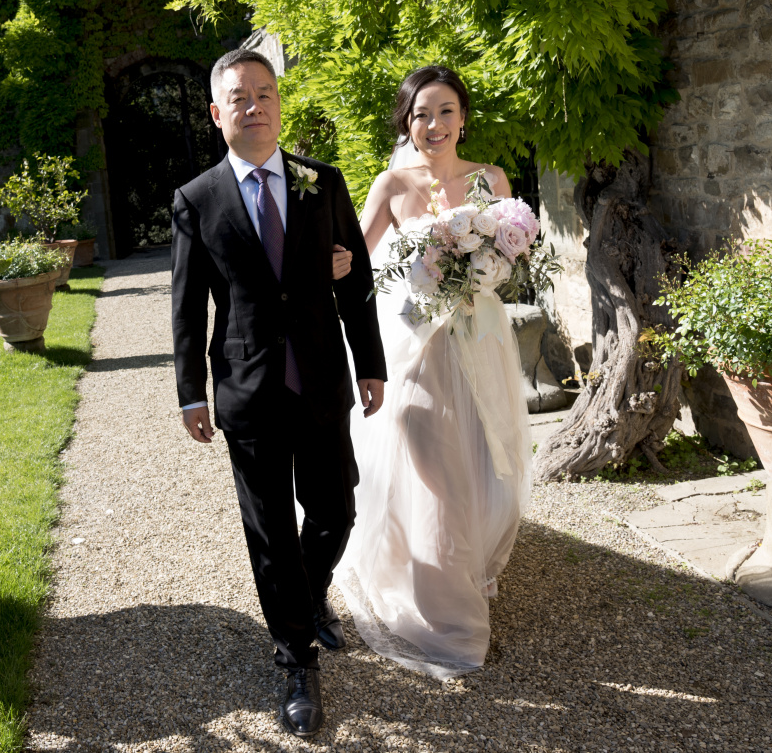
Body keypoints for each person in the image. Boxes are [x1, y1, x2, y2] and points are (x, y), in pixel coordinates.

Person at [170, 48, 387, 737]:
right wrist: (190, 392)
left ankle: (307, 589)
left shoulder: (322, 183)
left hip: (321, 378)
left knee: (336, 509)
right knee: (268, 532)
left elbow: (355, 284)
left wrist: (371, 364)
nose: (255, 105)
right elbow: (188, 307)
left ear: (279, 104)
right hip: (248, 389)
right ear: (217, 112)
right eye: (241, 97)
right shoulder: (196, 200)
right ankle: (297, 660)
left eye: (265, 94)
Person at [338, 64, 534, 678]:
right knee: (431, 459)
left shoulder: (492, 180)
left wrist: (486, 269)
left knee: (480, 451)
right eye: (421, 113)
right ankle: (444, 604)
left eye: (445, 110)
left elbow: (516, 256)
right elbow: (353, 258)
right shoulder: (393, 184)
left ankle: (464, 561)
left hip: (481, 339)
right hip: (415, 344)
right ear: (407, 122)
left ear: (463, 117)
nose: (434, 124)